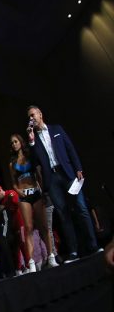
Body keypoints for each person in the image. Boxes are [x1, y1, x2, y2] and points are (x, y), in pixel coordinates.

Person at [26, 105, 98, 260]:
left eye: (33, 115)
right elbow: (33, 164)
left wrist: (78, 168)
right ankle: (73, 251)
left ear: (40, 114)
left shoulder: (56, 129)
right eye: (29, 117)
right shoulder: (34, 139)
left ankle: (93, 245)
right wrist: (31, 143)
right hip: (52, 179)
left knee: (82, 208)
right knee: (63, 214)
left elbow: (70, 148)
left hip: (67, 174)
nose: (31, 118)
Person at [8, 133, 57, 268]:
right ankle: (31, 262)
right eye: (12, 143)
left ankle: (51, 256)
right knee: (28, 227)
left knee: (43, 226)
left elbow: (38, 174)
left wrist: (43, 191)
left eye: (15, 141)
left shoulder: (30, 157)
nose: (14, 144)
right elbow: (13, 183)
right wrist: (19, 192)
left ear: (21, 142)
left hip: (36, 192)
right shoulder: (12, 164)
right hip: (24, 196)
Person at [0, 184, 34, 273]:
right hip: (13, 226)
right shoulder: (3, 202)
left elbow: (17, 205)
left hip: (20, 223)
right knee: (16, 246)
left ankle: (29, 265)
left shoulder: (11, 193)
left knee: (23, 244)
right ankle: (19, 268)